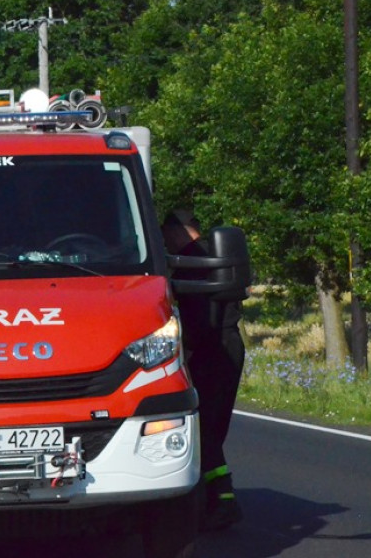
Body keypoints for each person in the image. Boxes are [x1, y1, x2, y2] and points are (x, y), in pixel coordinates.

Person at [162, 209, 245, 532]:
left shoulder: (192, 261)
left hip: (211, 348)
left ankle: (223, 499)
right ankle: (214, 497)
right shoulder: (213, 255)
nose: (165, 243)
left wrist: (181, 355)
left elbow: (198, 319)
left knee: (202, 427)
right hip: (226, 346)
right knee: (212, 425)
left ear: (178, 230)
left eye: (166, 235)